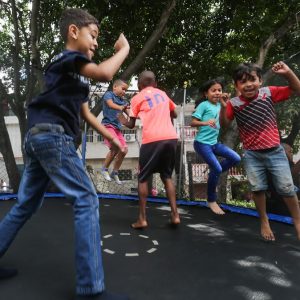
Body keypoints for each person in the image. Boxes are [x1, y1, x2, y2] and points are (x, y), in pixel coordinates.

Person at [0, 8, 129, 300]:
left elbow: (85, 113)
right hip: (52, 137)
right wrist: (125, 49)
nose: (96, 43)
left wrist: (112, 137)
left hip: (38, 139)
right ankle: (91, 289)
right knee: (86, 198)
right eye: (93, 36)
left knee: (25, 205)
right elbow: (107, 72)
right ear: (74, 32)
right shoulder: (68, 58)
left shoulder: (77, 76)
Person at [220, 61, 300, 241]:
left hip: (275, 151)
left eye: (252, 80)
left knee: (287, 188)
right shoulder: (234, 103)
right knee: (257, 188)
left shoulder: (268, 93)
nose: (248, 84)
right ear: (236, 86)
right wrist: (223, 108)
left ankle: (297, 221)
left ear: (260, 81)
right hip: (252, 154)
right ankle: (264, 220)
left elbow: (296, 89)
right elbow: (224, 125)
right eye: (242, 82)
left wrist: (288, 73)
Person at [121, 70, 180, 229]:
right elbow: (174, 112)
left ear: (139, 85)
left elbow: (131, 124)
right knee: (167, 176)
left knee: (143, 177)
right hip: (170, 137)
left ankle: (142, 219)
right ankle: (175, 215)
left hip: (152, 139)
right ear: (155, 83)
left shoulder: (137, 98)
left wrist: (121, 116)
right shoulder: (162, 94)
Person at [191, 79, 241, 215]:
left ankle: (214, 172)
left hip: (214, 144)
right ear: (206, 93)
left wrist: (225, 105)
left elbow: (225, 124)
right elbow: (193, 122)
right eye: (214, 90)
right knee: (217, 168)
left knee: (236, 158)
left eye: (219, 90)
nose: (217, 92)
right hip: (202, 144)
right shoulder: (203, 105)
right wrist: (206, 122)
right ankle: (211, 200)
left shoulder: (220, 106)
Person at [100, 79, 129, 185]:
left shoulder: (123, 101)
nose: (124, 92)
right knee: (115, 147)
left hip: (117, 128)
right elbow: (110, 104)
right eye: (123, 89)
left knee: (124, 150)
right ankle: (104, 169)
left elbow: (129, 112)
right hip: (107, 126)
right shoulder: (109, 95)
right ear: (115, 87)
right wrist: (121, 107)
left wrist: (135, 114)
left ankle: (115, 172)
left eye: (126, 90)